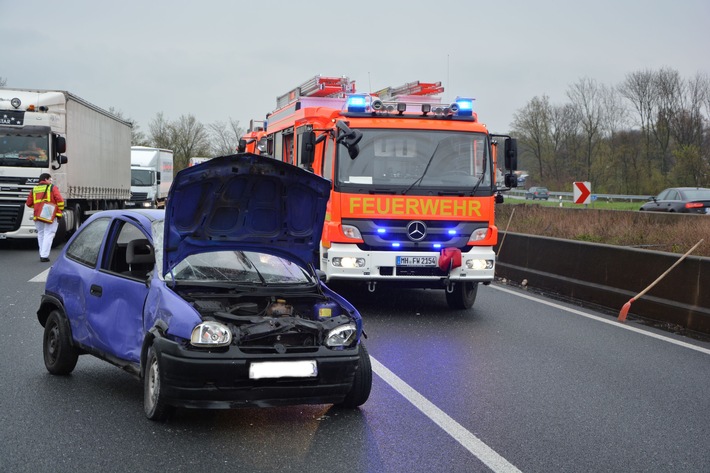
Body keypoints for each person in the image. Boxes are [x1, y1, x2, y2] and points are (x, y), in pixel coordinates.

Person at [25, 173, 64, 262]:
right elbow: (60, 200)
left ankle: (42, 253)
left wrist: (37, 208)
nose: (51, 181)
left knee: (41, 233)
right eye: (50, 180)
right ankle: (44, 256)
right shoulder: (52, 187)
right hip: (49, 214)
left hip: (37, 215)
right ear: (46, 179)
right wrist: (59, 210)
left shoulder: (34, 189)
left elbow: (28, 203)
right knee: (49, 233)